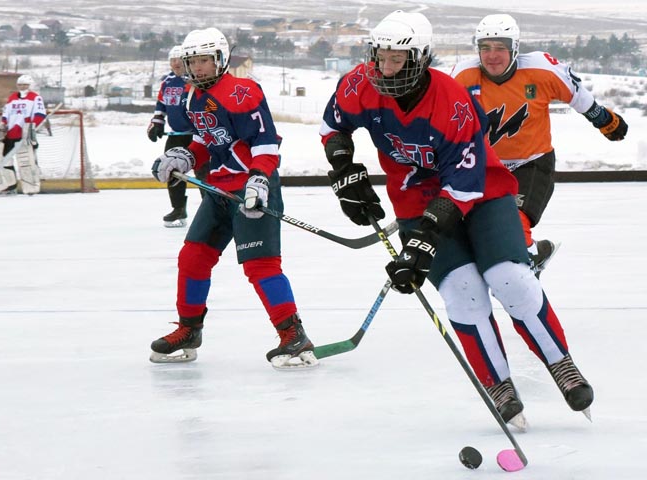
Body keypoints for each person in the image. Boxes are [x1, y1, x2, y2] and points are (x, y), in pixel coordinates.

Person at [320, 10, 592, 426]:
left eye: (397, 59)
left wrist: (425, 237)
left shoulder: (453, 102)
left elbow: (464, 183)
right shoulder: (360, 82)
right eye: (380, 57)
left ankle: (561, 364)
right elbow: (333, 125)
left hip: (482, 191)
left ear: (421, 59)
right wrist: (343, 169)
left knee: (509, 277)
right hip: (414, 197)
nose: (385, 68)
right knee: (462, 289)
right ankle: (497, 382)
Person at [148, 27, 318, 369]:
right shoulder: (193, 96)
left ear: (220, 60)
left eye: (204, 61)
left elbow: (266, 143)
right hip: (218, 191)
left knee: (260, 265)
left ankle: (293, 335)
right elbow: (207, 142)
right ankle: (189, 329)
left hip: (253, 189)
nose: (197, 68)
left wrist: (258, 181)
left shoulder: (243, 92)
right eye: (192, 62)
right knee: (192, 259)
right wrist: (185, 156)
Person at [451, 14, 628, 275]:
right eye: (485, 48)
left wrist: (604, 120)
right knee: (481, 232)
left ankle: (528, 268)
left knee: (514, 222)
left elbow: (576, 93)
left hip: (531, 163)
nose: (492, 55)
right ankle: (534, 253)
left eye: (500, 47)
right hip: (487, 167)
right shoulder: (464, 76)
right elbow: (444, 121)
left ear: (515, 48)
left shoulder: (540, 69)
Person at [147, 45, 206, 227]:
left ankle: (210, 208)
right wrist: (157, 123)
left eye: (178, 59)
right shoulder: (168, 81)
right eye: (172, 60)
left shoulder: (196, 81)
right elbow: (161, 104)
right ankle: (178, 207)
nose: (175, 63)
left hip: (196, 136)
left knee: (203, 174)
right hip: (175, 135)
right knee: (172, 171)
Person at [0, 74, 46, 195]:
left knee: (26, 161)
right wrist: (2, 125)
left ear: (31, 85)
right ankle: (9, 184)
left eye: (25, 84)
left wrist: (31, 127)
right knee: (4, 160)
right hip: (9, 134)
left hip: (24, 134)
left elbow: (40, 115)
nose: (22, 87)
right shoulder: (13, 97)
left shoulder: (36, 97)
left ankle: (31, 186)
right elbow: (6, 114)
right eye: (20, 84)